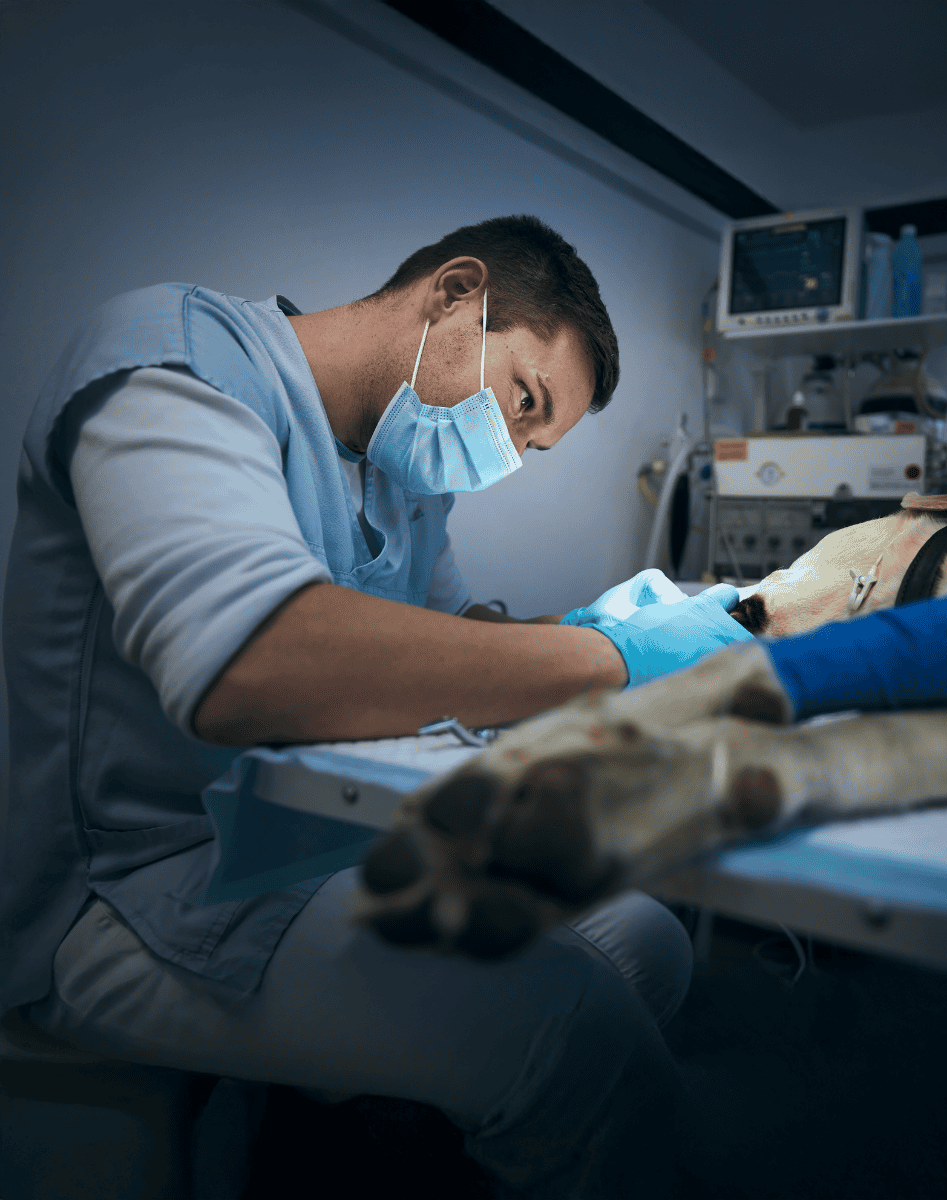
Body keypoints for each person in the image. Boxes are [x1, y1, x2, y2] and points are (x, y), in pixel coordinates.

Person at [0, 215, 750, 1196]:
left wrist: (602, 625)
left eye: (534, 443)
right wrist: (607, 656)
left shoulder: (402, 480)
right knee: (575, 1031)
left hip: (303, 841)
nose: (511, 452)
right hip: (128, 886)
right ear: (455, 294)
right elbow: (247, 663)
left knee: (648, 943)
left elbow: (462, 639)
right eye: (524, 401)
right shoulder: (176, 359)